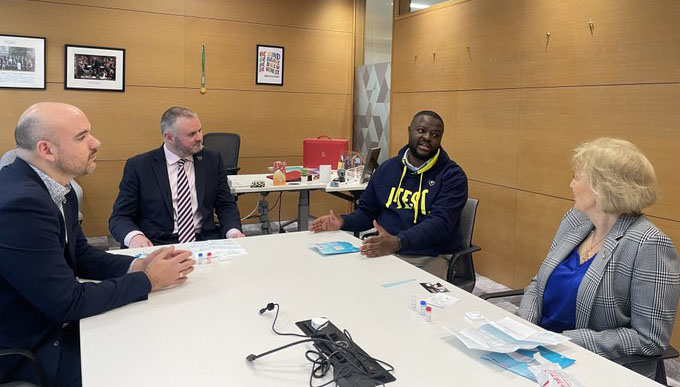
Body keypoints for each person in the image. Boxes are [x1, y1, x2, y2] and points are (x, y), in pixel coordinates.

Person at [0, 102, 196, 386]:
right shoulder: (21, 205)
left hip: (51, 320)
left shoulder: (57, 187)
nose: (96, 142)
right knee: (153, 360)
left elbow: (79, 254)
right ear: (46, 150)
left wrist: (137, 264)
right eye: (82, 137)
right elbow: (68, 303)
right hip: (32, 349)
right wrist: (148, 280)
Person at [518, 137, 680, 377]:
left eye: (577, 176)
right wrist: (526, 326)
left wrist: (565, 341)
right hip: (537, 352)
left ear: (602, 186)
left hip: (594, 367)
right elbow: (537, 284)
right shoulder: (574, 221)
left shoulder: (649, 244)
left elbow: (650, 339)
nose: (571, 184)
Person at [311, 110, 468, 279]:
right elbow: (367, 212)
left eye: (435, 135)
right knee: (341, 279)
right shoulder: (387, 169)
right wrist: (343, 221)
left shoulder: (452, 176)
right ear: (410, 131)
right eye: (421, 131)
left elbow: (440, 224)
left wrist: (398, 243)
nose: (428, 137)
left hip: (429, 255)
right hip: (385, 249)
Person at [109, 107, 244, 248]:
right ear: (169, 137)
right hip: (158, 244)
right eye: (191, 134)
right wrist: (135, 237)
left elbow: (226, 204)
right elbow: (120, 217)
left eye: (200, 130)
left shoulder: (212, 160)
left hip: (204, 241)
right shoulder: (139, 166)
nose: (199, 137)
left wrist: (232, 231)